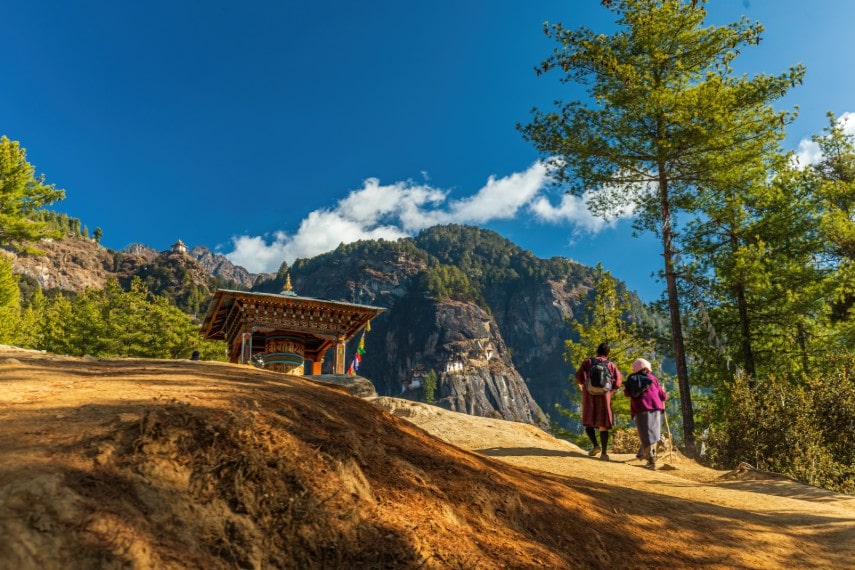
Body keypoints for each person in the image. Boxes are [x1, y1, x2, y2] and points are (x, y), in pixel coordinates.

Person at [575, 343, 623, 461]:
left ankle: (595, 446)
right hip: (604, 396)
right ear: (608, 353)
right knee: (603, 424)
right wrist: (611, 391)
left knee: (588, 420)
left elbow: (578, 376)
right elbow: (618, 381)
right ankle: (604, 453)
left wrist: (583, 385)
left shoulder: (588, 362)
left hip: (589, 395)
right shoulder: (610, 365)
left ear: (596, 351)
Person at [624, 358, 667, 470]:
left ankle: (651, 461)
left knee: (646, 435)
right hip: (657, 409)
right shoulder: (653, 378)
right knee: (653, 434)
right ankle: (645, 455)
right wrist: (661, 390)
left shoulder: (632, 379)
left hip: (641, 409)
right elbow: (663, 396)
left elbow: (627, 393)